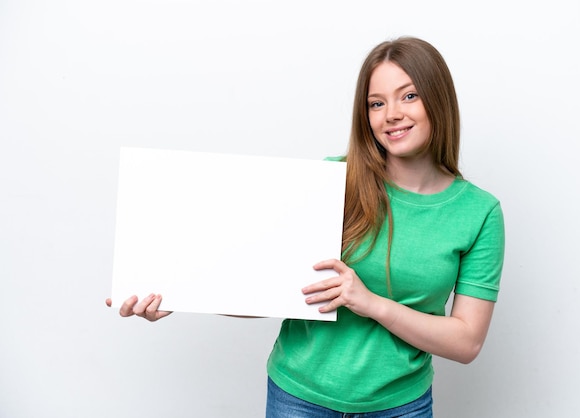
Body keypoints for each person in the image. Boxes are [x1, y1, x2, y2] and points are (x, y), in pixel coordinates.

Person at [106, 36, 505, 417]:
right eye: (376, 103)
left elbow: (466, 341)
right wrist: (181, 292)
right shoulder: (332, 181)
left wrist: (371, 304)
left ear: (439, 99)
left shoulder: (479, 213)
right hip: (299, 400)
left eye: (409, 95)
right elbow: (267, 290)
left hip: (402, 406)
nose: (392, 114)